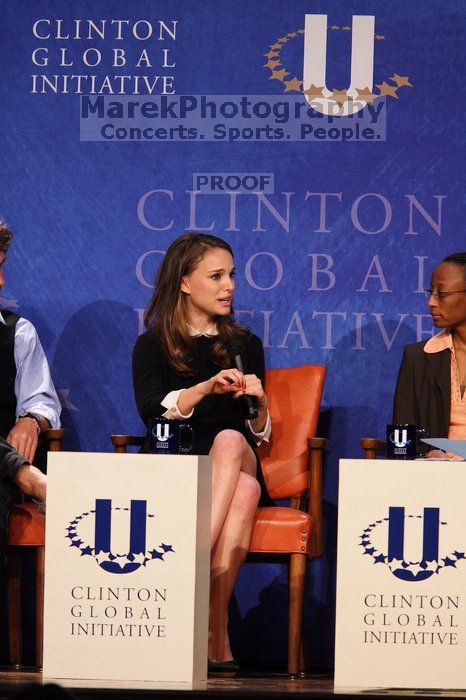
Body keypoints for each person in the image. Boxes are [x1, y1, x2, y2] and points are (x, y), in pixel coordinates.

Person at [133, 233, 271, 671]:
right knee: (245, 493)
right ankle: (214, 632)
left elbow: (257, 432)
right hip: (183, 469)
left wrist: (261, 403)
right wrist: (205, 387)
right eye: (216, 276)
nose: (229, 285)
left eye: (231, 274)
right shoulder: (153, 344)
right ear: (185, 282)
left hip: (236, 453)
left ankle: (185, 566)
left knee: (231, 441)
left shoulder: (243, 344)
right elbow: (153, 415)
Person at [393, 252, 466, 456]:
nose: (431, 302)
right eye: (430, 292)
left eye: (441, 294)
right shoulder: (417, 357)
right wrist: (426, 454)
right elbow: (401, 440)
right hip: (435, 479)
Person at [0, 221, 61, 463]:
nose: (2, 281)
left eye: (2, 266)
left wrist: (31, 420)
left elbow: (41, 401)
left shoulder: (19, 333)